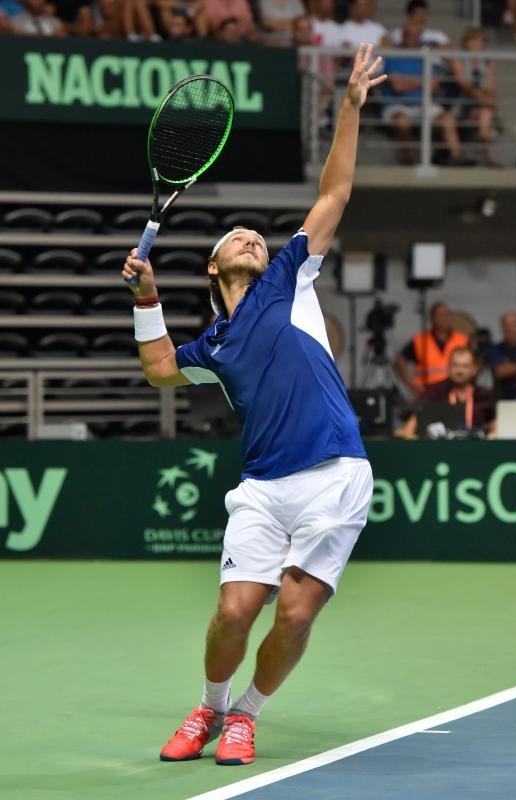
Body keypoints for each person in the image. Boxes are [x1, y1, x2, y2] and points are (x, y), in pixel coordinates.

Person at [122, 43, 384, 767]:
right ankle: (207, 709)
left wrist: (349, 109)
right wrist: (147, 300)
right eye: (236, 235)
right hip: (264, 489)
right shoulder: (213, 345)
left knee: (295, 612)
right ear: (213, 266)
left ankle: (245, 715)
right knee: (235, 609)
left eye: (259, 238)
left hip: (334, 473)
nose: (252, 236)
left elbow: (331, 197)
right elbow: (160, 371)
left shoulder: (288, 282)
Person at [381, 20, 473, 166]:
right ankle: (409, 157)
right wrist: (421, 82)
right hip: (398, 106)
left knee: (447, 117)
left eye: (417, 36)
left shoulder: (424, 58)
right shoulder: (393, 56)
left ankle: (457, 156)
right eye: (410, 35)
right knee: (402, 121)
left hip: (421, 104)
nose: (414, 39)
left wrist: (410, 82)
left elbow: (435, 84)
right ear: (403, 37)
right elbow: (397, 86)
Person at [395, 346, 495, 437]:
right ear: (448, 367)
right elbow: (416, 418)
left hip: (477, 448)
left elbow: (496, 422)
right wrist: (406, 436)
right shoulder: (434, 391)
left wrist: (492, 434)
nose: (459, 370)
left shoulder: (485, 395)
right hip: (440, 449)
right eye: (455, 365)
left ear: (474, 369)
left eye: (465, 366)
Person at [394, 302, 470, 399]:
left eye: (447, 314)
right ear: (432, 318)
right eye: (440, 315)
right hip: (427, 393)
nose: (444, 318)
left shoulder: (462, 340)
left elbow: (475, 362)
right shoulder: (420, 340)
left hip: (455, 391)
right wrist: (411, 384)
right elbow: (399, 362)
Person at [449, 27, 499, 167]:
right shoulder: (458, 59)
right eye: (475, 40)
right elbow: (464, 85)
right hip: (461, 103)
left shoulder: (487, 62)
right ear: (467, 42)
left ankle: (484, 142)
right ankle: (488, 154)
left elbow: (491, 86)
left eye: (482, 41)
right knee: (486, 110)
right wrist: (483, 98)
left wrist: (488, 98)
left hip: (480, 105)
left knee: (486, 112)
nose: (479, 44)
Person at [488, 311, 516, 398]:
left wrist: (511, 367)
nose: (510, 328)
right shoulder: (493, 350)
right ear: (502, 327)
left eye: (514, 324)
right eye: (507, 324)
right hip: (502, 398)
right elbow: (499, 372)